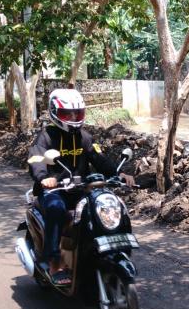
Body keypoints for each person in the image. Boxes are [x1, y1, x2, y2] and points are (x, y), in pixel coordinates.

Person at [28, 88, 135, 285]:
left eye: (76, 113)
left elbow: (99, 158)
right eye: (67, 113)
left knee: (108, 206)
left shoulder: (85, 137)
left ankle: (112, 250)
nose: (72, 117)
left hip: (82, 190)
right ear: (55, 112)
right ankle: (55, 261)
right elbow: (36, 159)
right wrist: (44, 178)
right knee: (55, 208)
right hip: (55, 191)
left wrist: (118, 174)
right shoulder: (46, 137)